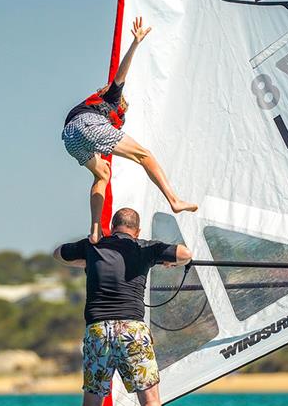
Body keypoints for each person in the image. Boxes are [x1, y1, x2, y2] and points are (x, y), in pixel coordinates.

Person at [53, 207, 193, 406]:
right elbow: (185, 254)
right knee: (150, 401)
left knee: (91, 405)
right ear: (137, 231)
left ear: (112, 226)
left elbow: (58, 253)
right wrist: (164, 260)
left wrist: (87, 253)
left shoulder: (93, 246)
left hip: (98, 331)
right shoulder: (146, 248)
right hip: (132, 330)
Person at [61, 17, 197, 245]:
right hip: (88, 125)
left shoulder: (104, 110)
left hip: (69, 137)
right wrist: (135, 43)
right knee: (145, 155)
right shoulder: (113, 98)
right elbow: (121, 73)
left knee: (102, 174)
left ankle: (95, 231)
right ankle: (174, 200)